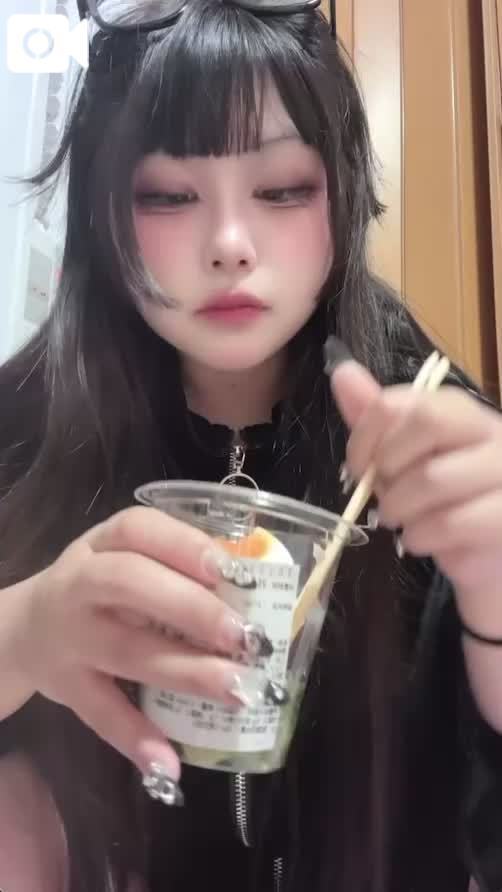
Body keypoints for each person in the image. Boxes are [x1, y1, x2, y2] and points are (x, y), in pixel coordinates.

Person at [1, 1, 502, 890]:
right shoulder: (21, 431)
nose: (230, 246)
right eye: (168, 195)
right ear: (100, 215)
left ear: (343, 192)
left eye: (282, 190)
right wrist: (23, 634)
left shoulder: (436, 449)